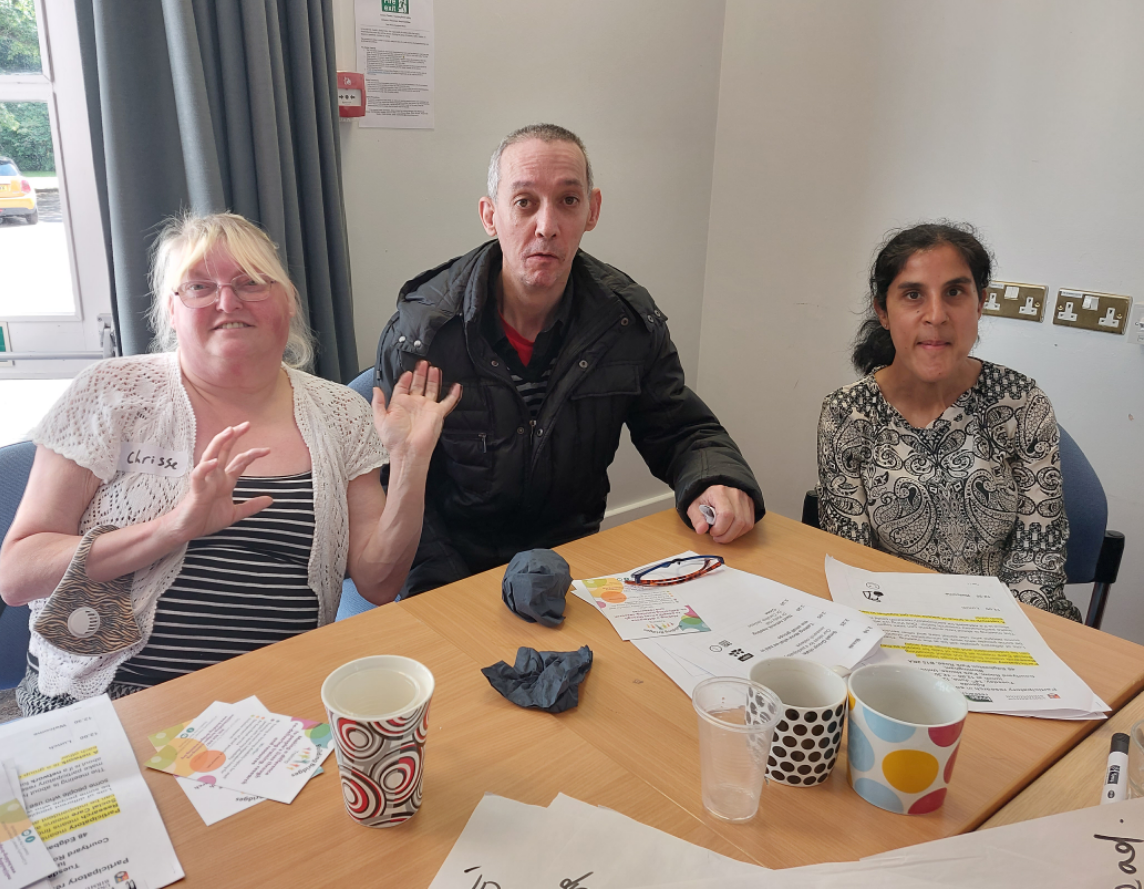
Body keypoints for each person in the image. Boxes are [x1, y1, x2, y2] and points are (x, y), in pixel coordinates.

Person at [0, 212, 460, 714]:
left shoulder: (339, 411)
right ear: (171, 312)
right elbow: (18, 573)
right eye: (198, 286)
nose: (226, 301)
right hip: (110, 697)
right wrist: (172, 528)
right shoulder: (111, 394)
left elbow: (378, 582)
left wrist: (411, 463)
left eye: (250, 283)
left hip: (277, 703)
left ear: (288, 302)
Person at [375, 123, 764, 596]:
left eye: (568, 201)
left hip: (570, 563)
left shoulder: (624, 323)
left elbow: (679, 427)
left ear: (592, 210)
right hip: (451, 570)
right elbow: (391, 484)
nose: (547, 226)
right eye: (524, 202)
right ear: (490, 215)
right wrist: (450, 590)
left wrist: (716, 479)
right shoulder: (424, 334)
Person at [816, 222, 1080, 621]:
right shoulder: (848, 413)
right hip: (893, 623)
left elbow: (1037, 559)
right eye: (913, 295)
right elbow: (851, 563)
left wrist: (999, 642)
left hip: (1010, 623)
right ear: (883, 312)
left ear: (980, 303)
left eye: (954, 292)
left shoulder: (1021, 404)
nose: (936, 316)